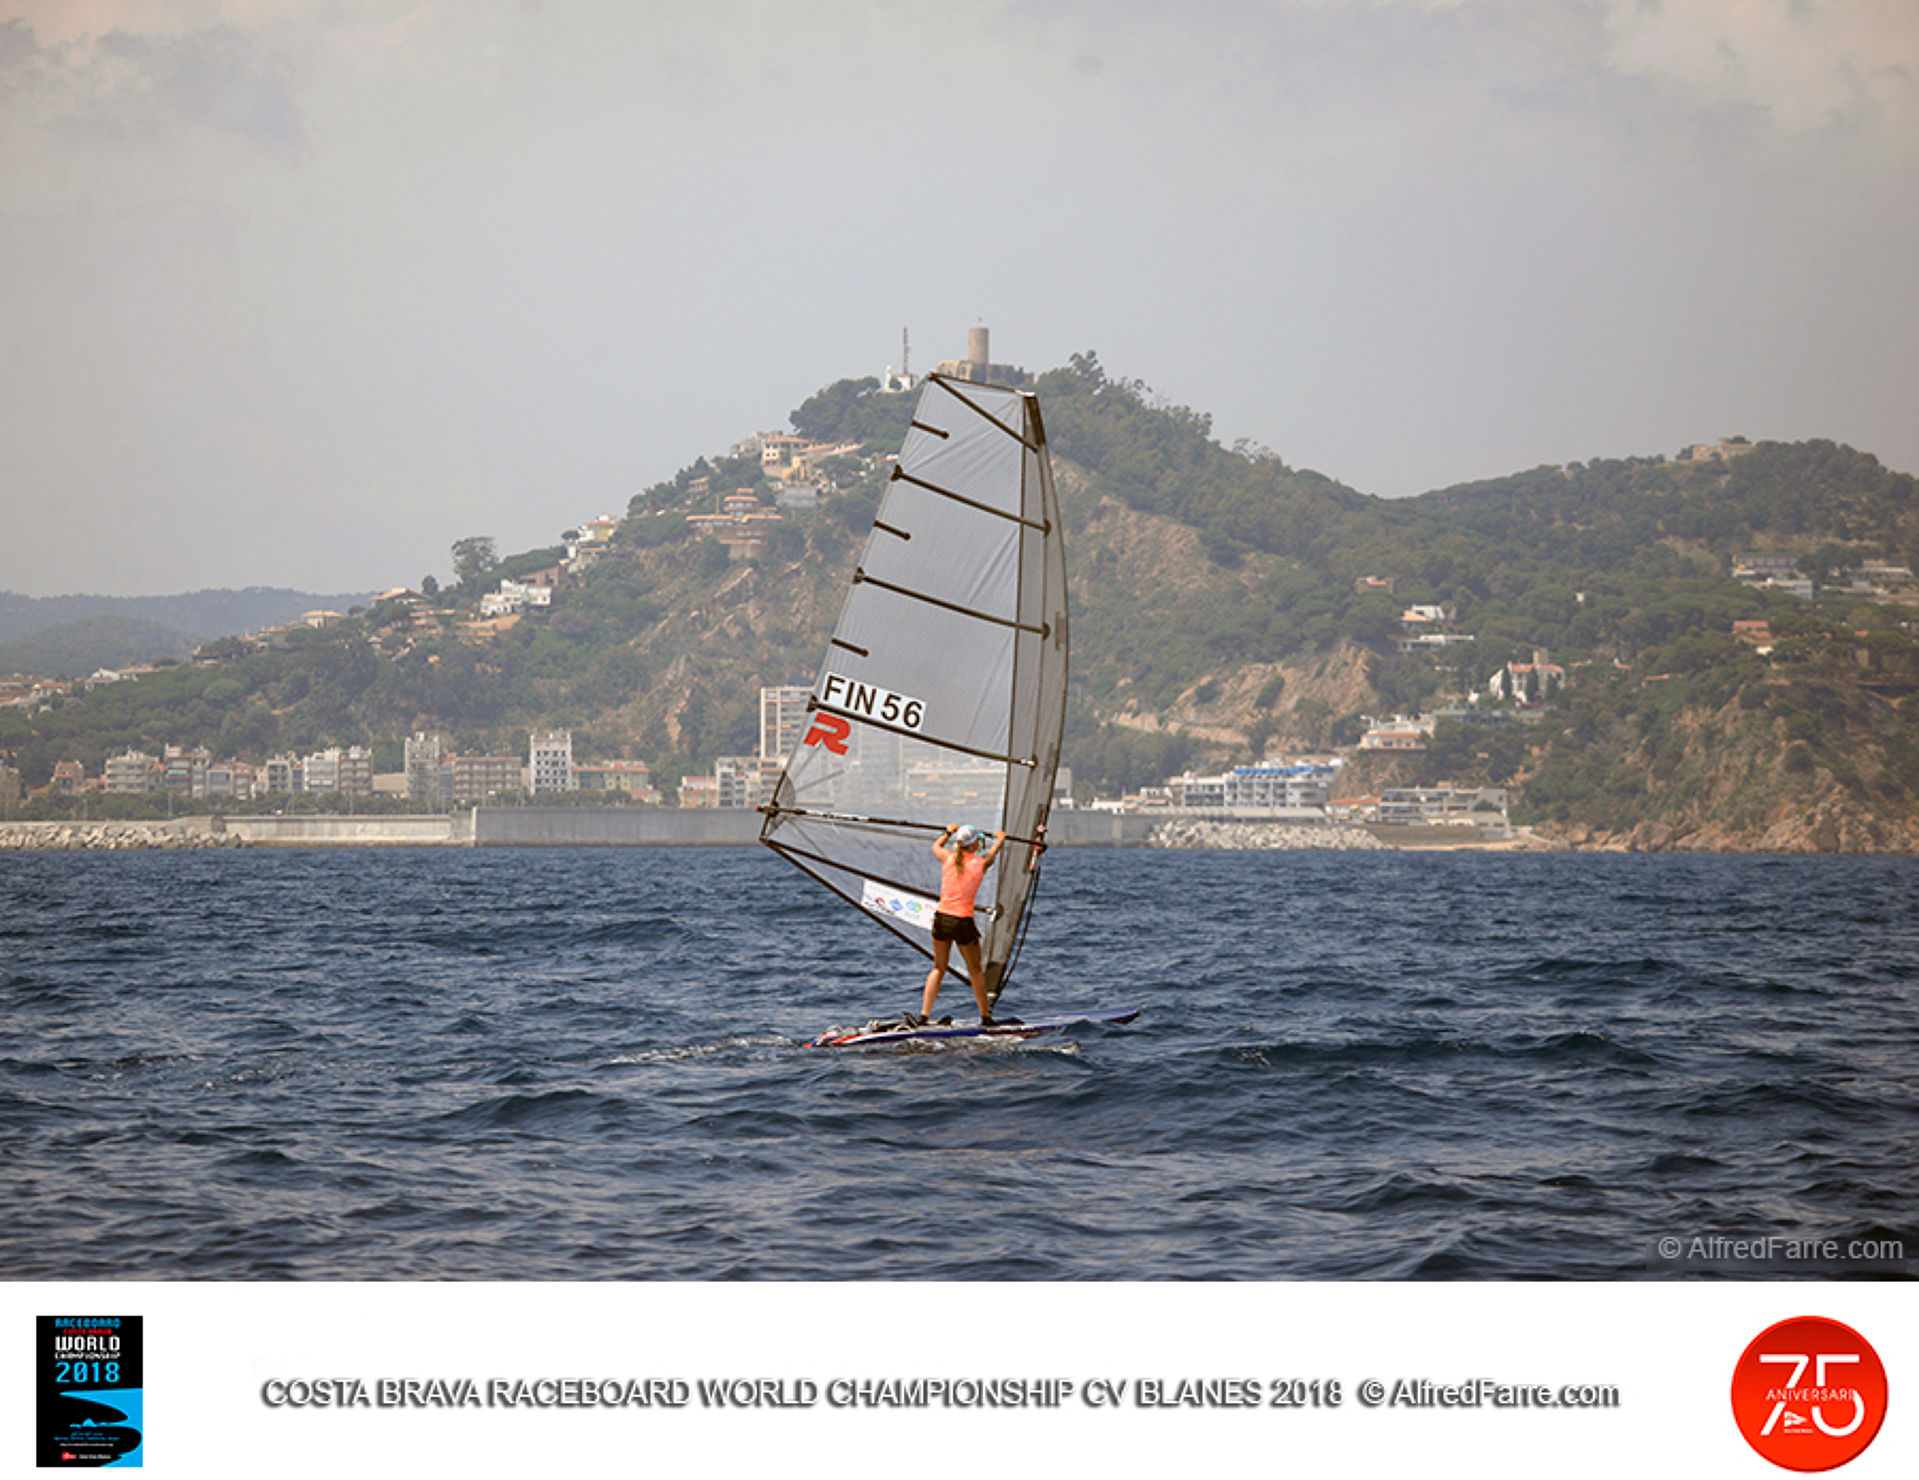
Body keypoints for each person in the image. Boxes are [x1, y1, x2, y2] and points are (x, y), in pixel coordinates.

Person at [917, 822, 1007, 1025]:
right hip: (962, 922)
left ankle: (923, 1016)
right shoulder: (980, 863)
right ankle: (985, 1017)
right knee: (975, 970)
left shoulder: (947, 858)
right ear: (974, 844)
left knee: (938, 967)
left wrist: (948, 832)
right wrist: (1000, 838)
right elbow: (993, 852)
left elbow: (936, 847)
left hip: (941, 919)